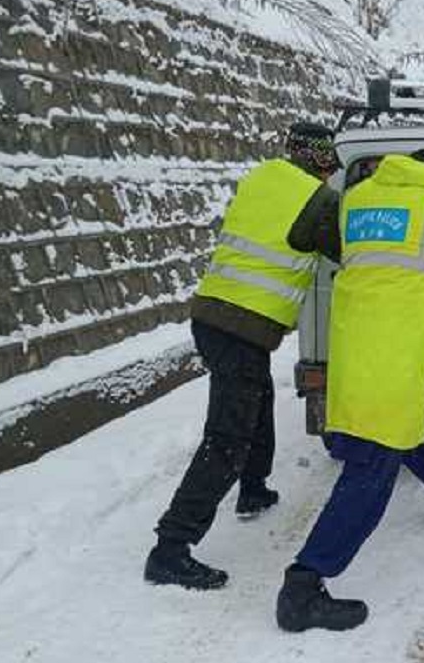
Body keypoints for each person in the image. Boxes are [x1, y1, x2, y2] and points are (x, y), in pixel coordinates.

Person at [276, 148, 424, 633]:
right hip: (397, 346)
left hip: (355, 343)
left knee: (409, 421)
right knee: (373, 464)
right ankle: (304, 584)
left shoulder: (357, 196)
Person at [144, 121, 343, 590]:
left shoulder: (262, 175)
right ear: (319, 161)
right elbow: (345, 250)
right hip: (243, 326)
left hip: (211, 315)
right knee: (227, 436)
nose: (331, 175)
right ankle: (171, 548)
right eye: (329, 166)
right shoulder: (320, 201)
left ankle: (253, 488)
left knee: (259, 396)